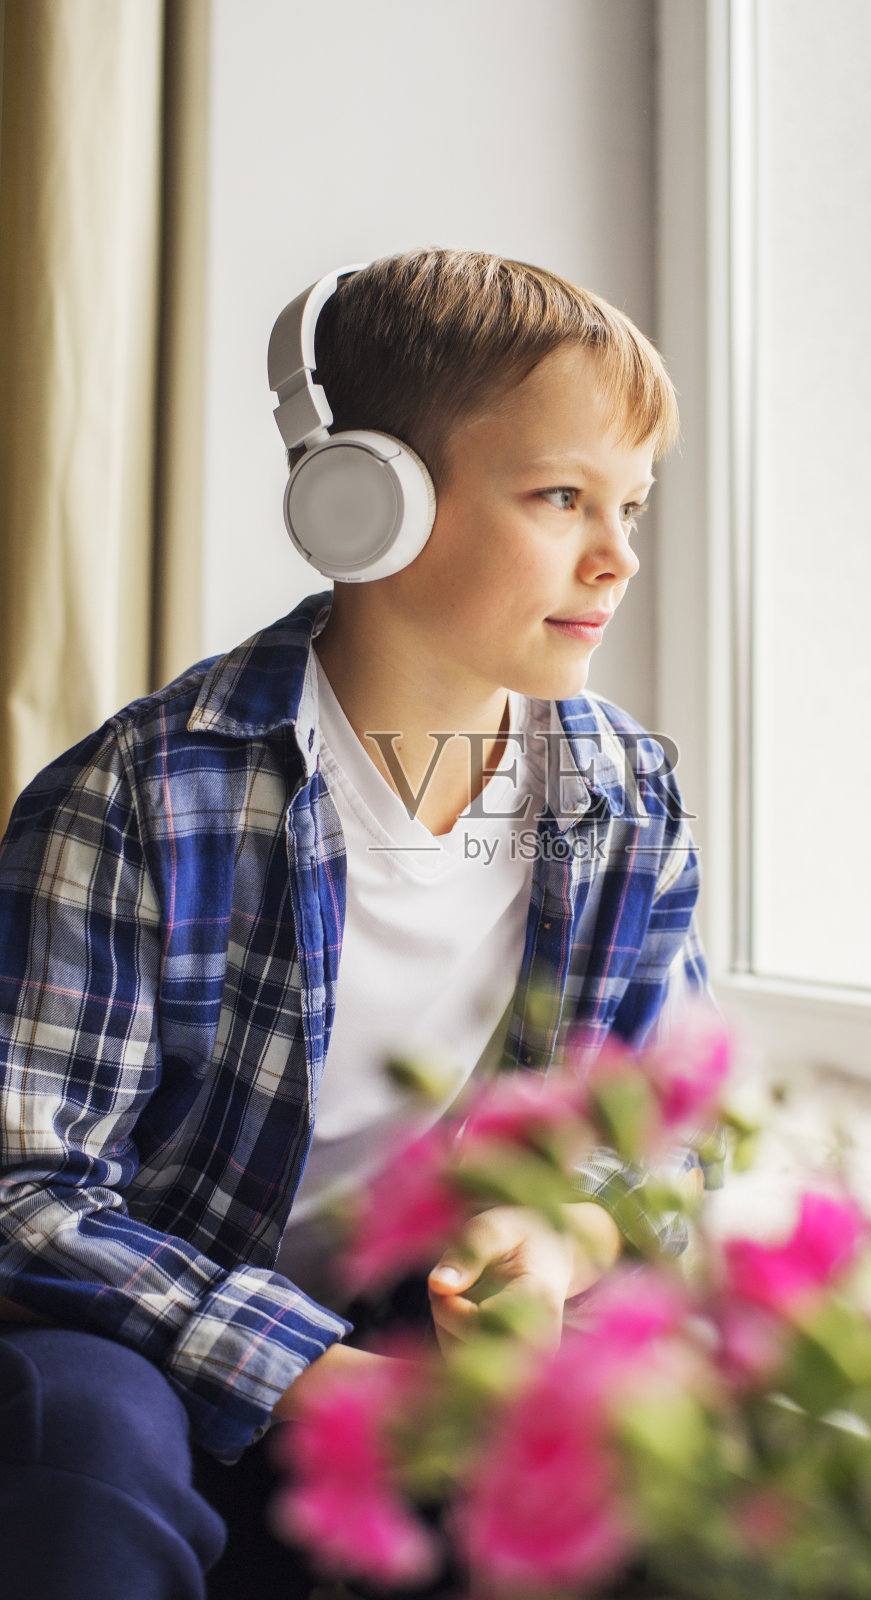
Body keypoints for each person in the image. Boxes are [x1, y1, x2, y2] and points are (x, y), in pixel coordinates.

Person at [0, 249, 708, 1599]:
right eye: (563, 497)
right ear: (361, 502)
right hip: (156, 1348)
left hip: (409, 1327)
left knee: (662, 1410)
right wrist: (306, 1375)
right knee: (79, 1434)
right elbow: (23, 1188)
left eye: (631, 504)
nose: (615, 556)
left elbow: (658, 1135)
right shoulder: (142, 794)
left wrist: (557, 1234)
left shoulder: (625, 797)